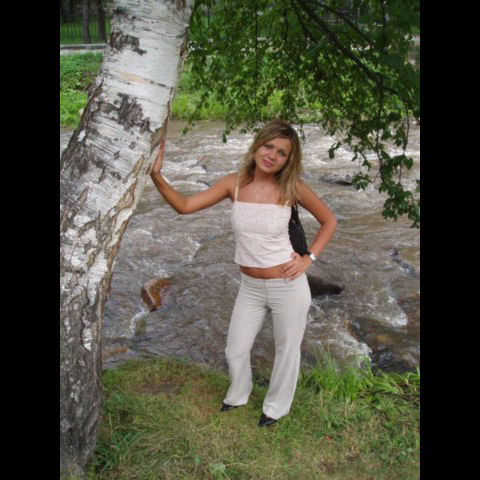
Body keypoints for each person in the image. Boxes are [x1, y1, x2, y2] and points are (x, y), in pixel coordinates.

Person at [150, 120, 337, 427]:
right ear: (257, 145)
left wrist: (309, 259)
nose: (272, 155)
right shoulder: (232, 184)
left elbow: (329, 221)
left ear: (288, 160)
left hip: (287, 285)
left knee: (286, 351)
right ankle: (238, 395)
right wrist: (157, 175)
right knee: (235, 349)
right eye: (268, 146)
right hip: (250, 286)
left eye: (281, 152)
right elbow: (184, 205)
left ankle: (275, 408)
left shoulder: (292, 187)